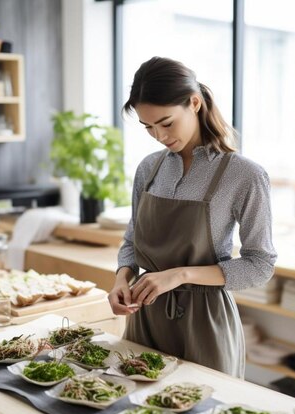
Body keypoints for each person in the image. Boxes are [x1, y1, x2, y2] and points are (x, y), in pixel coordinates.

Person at [108, 56, 277, 378]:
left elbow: (260, 265)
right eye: (148, 127)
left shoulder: (245, 175)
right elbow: (132, 239)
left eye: (167, 123)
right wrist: (121, 278)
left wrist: (179, 275)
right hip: (146, 316)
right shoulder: (149, 168)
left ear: (194, 103)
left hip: (206, 323)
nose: (159, 136)